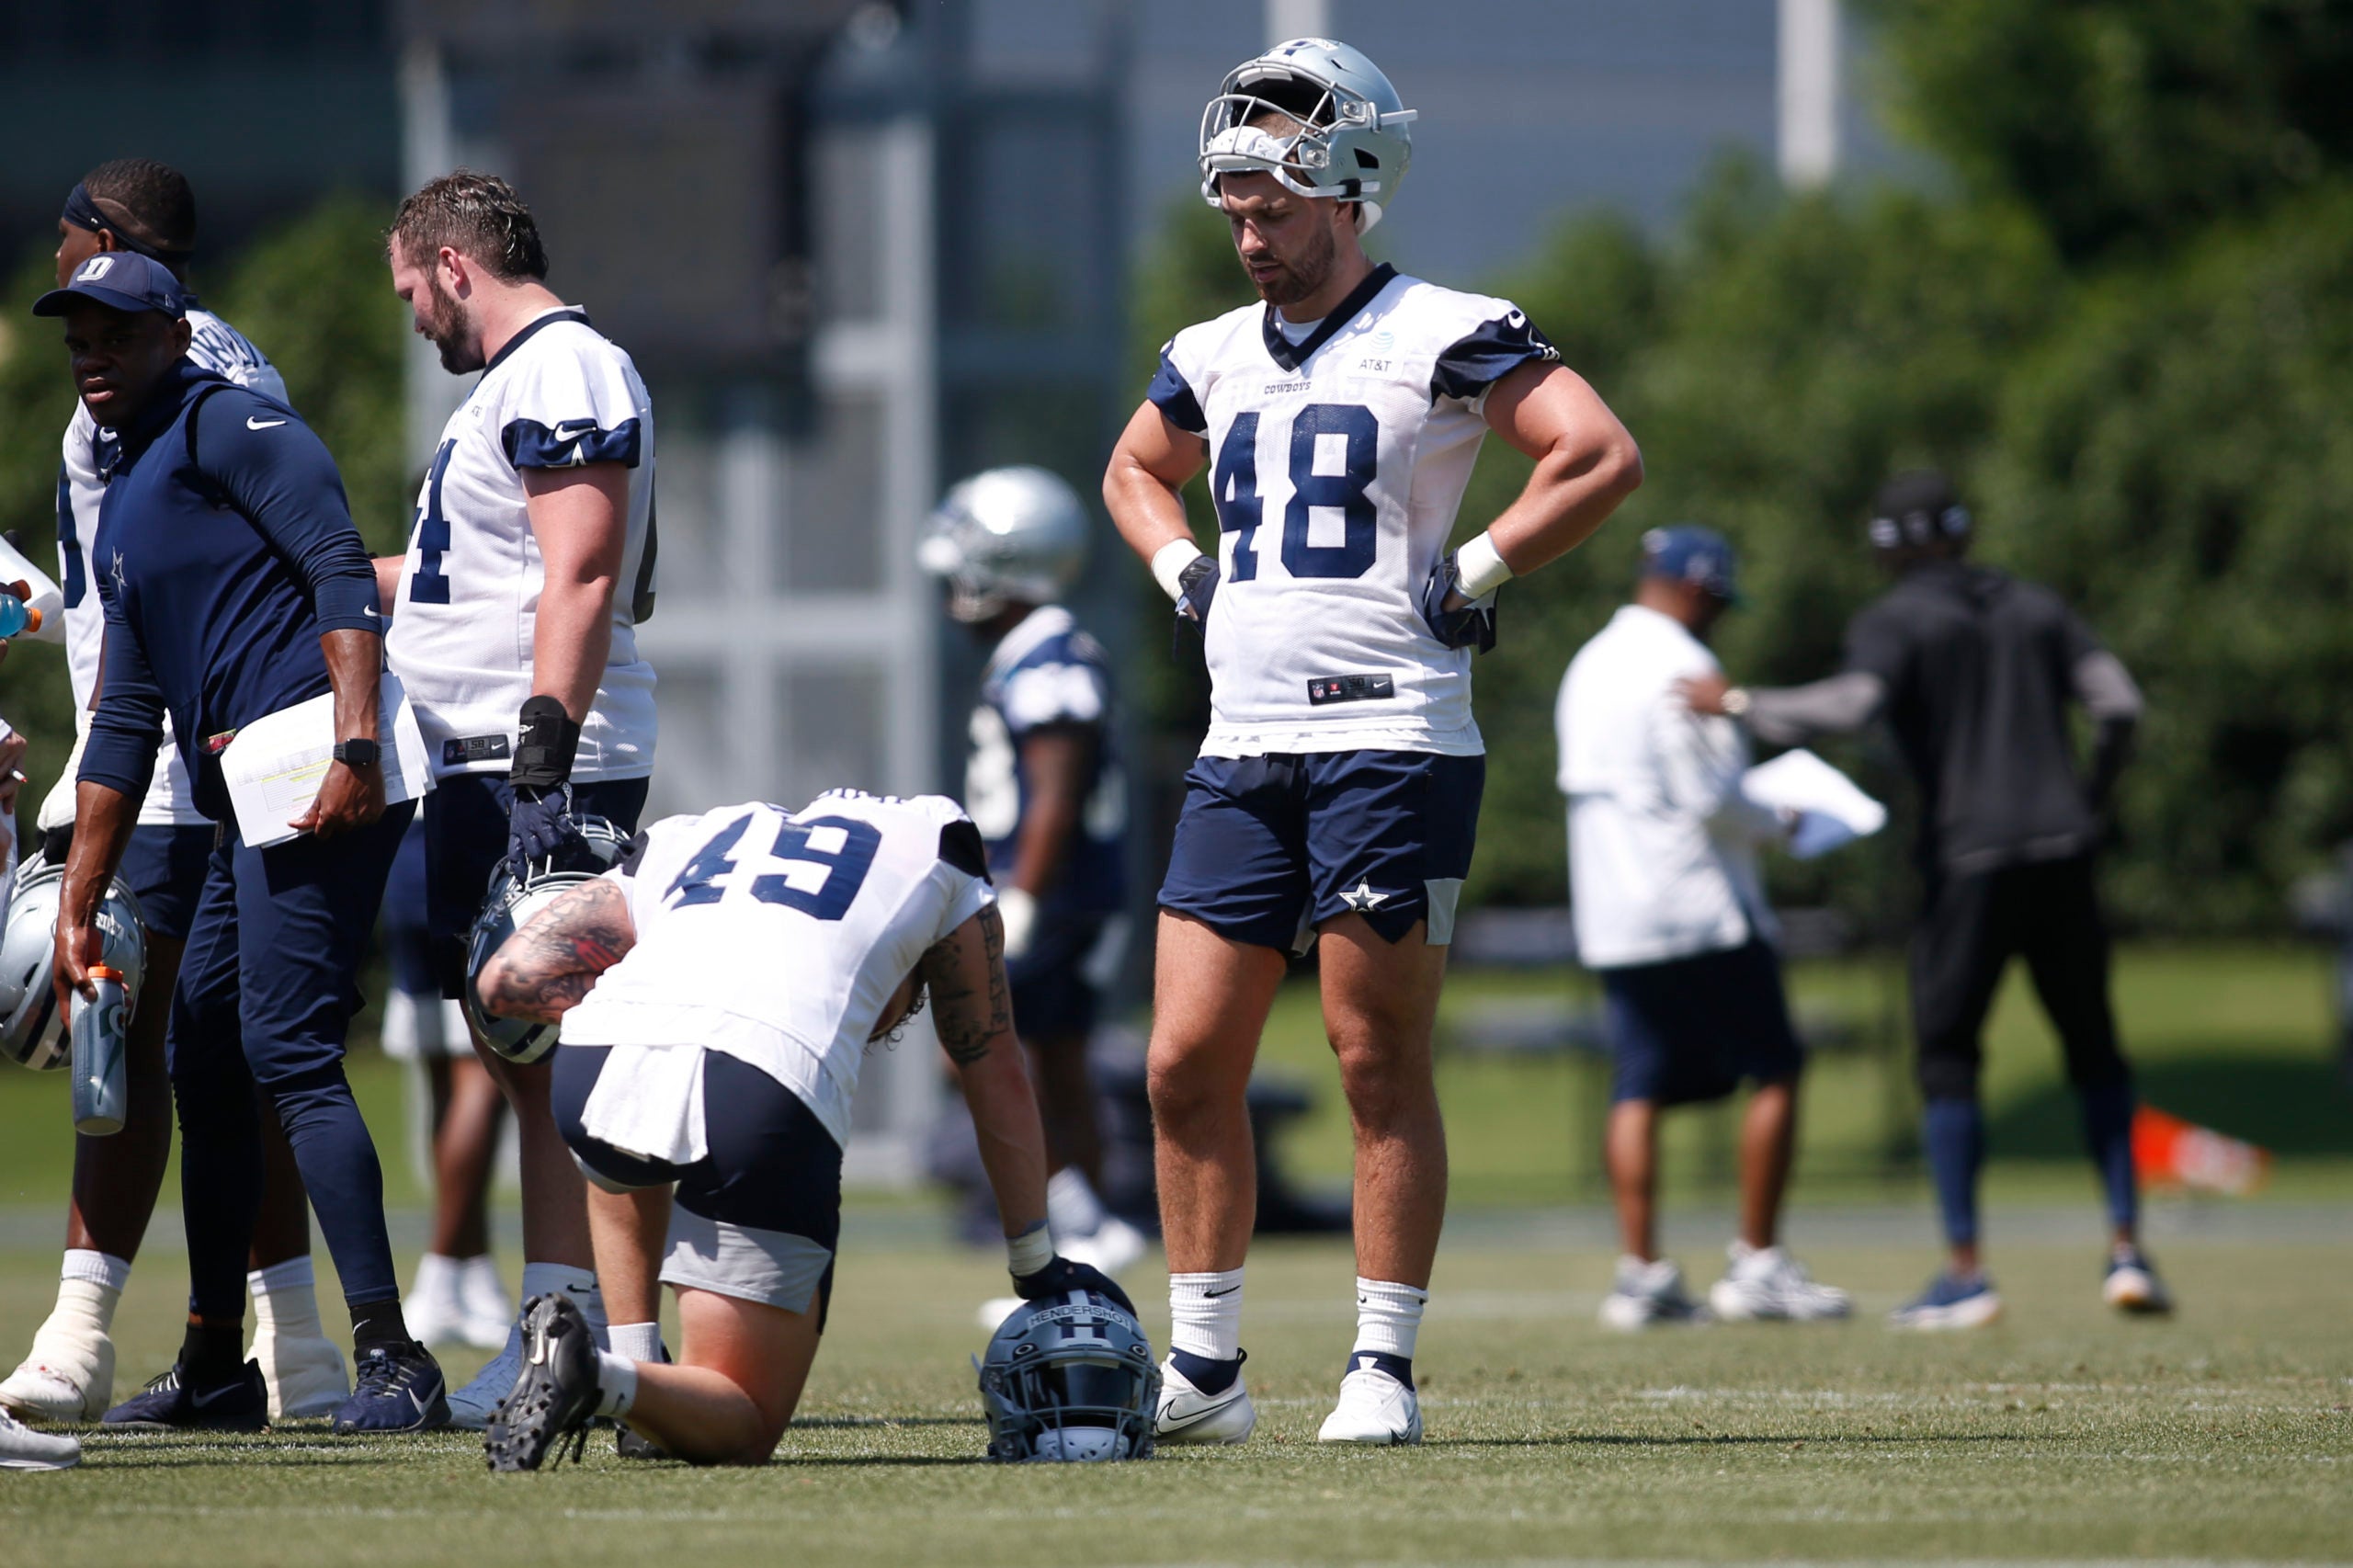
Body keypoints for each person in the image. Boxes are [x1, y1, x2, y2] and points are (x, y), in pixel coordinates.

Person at [1102, 39, 1641, 1446]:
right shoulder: (1208, 353)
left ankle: (1380, 1363)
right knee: (1179, 1060)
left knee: (1372, 1053)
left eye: (1270, 204)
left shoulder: (1446, 327)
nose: (1247, 232)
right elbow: (1132, 470)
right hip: (1241, 745)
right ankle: (1207, 1367)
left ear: (1348, 189)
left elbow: (1595, 451)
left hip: (1391, 740)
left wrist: (1480, 569)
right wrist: (1181, 570)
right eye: (1232, 207)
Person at [36, 250, 444, 1432]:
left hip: (321, 759)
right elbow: (121, 722)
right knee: (202, 1047)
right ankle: (220, 1359)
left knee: (287, 1046)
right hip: (245, 788)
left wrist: (356, 745)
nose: (90, 351)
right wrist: (81, 898)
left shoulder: (227, 422)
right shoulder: (127, 505)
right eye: (76, 332)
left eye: (114, 328)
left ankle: (390, 1353)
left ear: (173, 332)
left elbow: (337, 567)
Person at [468, 790, 1125, 1469]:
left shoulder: (692, 832)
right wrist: (1035, 1261)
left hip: (594, 1067)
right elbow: (992, 1066)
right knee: (742, 1420)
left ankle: (635, 1381)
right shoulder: (943, 839)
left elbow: (504, 982)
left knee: (637, 1099)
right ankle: (597, 1374)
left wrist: (664, 1002)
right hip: (762, 1080)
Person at [2, 160, 347, 1429]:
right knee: (219, 1052)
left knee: (128, 1039)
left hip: (173, 760)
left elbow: (188, 581)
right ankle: (289, 1341)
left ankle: (82, 1334)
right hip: (203, 740)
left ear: (99, 246)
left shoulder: (148, 379)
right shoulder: (215, 357)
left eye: (62, 236)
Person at [1683, 470, 2167, 1328]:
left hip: (1968, 857)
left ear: (1889, 549)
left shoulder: (1898, 618)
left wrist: (1744, 702)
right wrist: (2088, 800)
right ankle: (2127, 1251)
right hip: (2065, 850)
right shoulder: (2037, 606)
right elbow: (2119, 706)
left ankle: (1965, 1271)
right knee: (2097, 1053)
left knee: (1948, 1060)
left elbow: (1852, 703)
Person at [380, 169, 659, 1426]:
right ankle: (570, 1319)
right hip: (476, 760)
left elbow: (589, 572)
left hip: (538, 762)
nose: (415, 321)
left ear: (451, 266)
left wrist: (545, 745)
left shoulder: (565, 367)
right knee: (524, 1060)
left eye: (409, 292)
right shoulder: (515, 387)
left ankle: (594, 1327)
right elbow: (468, 580)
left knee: (563, 1054)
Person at [1557, 527, 1851, 1330]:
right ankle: (1757, 1262)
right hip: (1699, 903)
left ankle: (1640, 1272)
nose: (1718, 616)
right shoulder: (1683, 667)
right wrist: (1789, 816)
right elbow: (1716, 800)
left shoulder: (1587, 664)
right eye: (1718, 600)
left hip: (1615, 909)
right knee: (1778, 1066)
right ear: (1696, 587)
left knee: (1639, 1083)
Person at [917, 466, 1145, 1289]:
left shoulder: (1049, 658)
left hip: (1052, 894)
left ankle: (1070, 1228)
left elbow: (1055, 793)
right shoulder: (1040, 650)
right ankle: (1086, 1225)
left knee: (977, 1049)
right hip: (1064, 894)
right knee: (1052, 1061)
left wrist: (1021, 898)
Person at [379, 815, 513, 1349]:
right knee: (486, 1071)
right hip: (472, 842)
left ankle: (473, 1272)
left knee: (444, 1076)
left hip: (407, 853)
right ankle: (439, 1275)